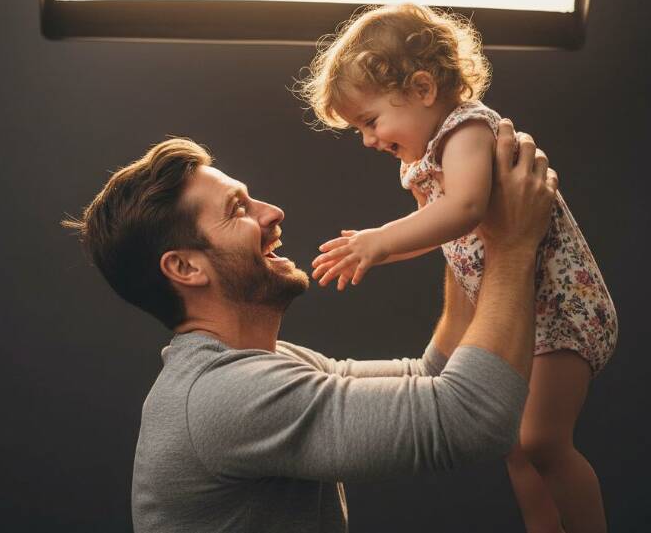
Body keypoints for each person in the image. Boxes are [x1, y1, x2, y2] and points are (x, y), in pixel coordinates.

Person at [62, 121, 556, 533]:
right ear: (186, 269)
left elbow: (432, 374)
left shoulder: (270, 365)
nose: (272, 213)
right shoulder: (224, 398)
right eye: (239, 210)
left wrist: (464, 229)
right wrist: (511, 245)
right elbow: (471, 419)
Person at [298, 3, 617, 533]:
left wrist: (381, 241)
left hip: (563, 312)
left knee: (542, 440)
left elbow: (464, 209)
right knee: (514, 447)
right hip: (529, 318)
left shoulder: (467, 130)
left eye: (371, 121)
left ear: (423, 88)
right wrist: (378, 250)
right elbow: (438, 232)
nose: (369, 140)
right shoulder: (428, 156)